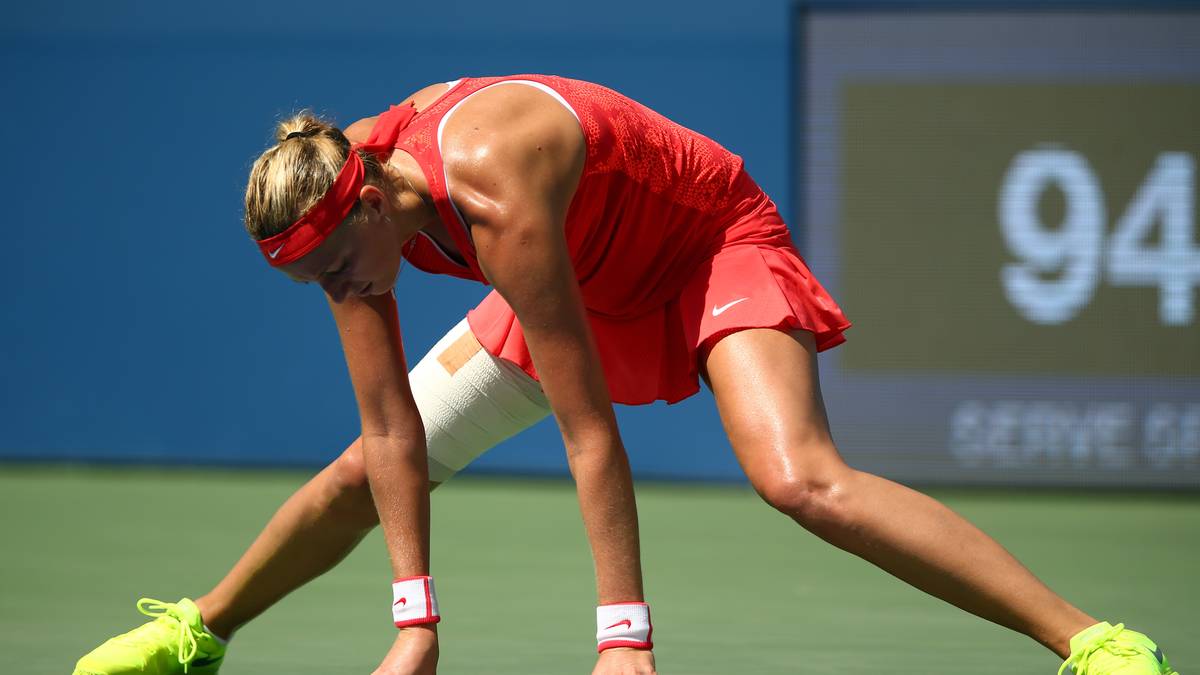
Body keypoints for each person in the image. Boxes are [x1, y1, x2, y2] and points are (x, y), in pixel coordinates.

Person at [73, 75, 1177, 675]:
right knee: (360, 473)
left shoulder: (490, 187)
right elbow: (392, 430)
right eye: (310, 282)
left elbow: (588, 430)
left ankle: (1095, 643)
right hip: (580, 271)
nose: (336, 291)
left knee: (801, 480)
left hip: (704, 248)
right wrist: (415, 626)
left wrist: (623, 641)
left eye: (333, 270)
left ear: (367, 201)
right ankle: (200, 632)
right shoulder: (345, 213)